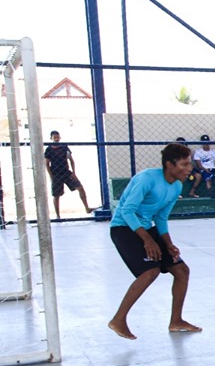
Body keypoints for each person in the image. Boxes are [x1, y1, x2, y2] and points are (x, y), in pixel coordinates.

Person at [107, 143, 202, 339]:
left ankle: (176, 321)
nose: (189, 168)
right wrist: (147, 240)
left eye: (189, 163)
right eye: (184, 164)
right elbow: (127, 211)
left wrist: (168, 243)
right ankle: (118, 319)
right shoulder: (146, 179)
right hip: (123, 227)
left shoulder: (176, 186)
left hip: (146, 228)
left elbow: (160, 217)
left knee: (182, 270)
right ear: (170, 165)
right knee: (150, 271)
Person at [44, 130, 95, 217]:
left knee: (80, 188)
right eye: (54, 137)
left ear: (60, 138)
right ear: (51, 138)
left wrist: (73, 173)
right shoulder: (49, 149)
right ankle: (58, 215)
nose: (56, 139)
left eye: (57, 137)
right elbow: (47, 164)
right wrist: (51, 176)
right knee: (56, 195)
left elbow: (71, 160)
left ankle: (87, 208)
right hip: (56, 174)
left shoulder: (64, 147)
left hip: (66, 172)